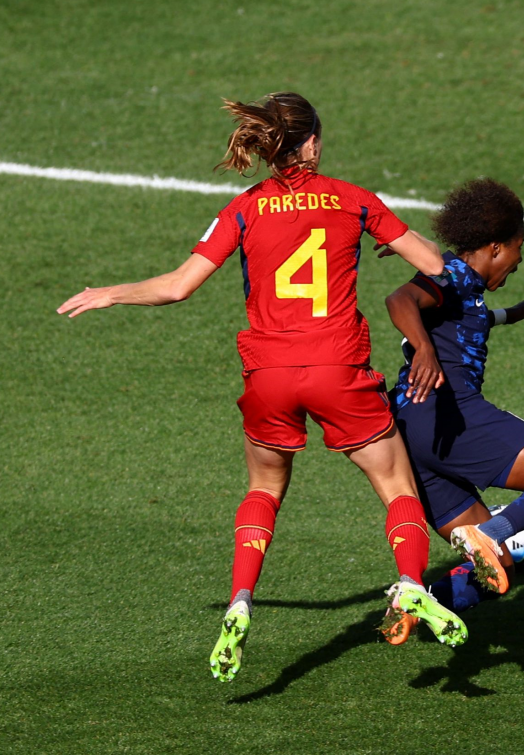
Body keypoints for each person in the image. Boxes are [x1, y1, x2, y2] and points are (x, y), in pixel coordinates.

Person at [56, 92, 467, 681]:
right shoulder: (355, 200)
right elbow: (431, 265)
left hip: (269, 376)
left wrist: (111, 292)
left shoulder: (244, 208)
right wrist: (390, 240)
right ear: (313, 143)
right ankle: (408, 584)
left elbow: (178, 286)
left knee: (264, 488)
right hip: (339, 371)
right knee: (396, 481)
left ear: (270, 148)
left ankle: (241, 601)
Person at [377, 178, 524, 644]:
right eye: (519, 247)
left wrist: (511, 314)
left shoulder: (466, 287)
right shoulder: (453, 275)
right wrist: (423, 351)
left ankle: (416, 604)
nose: (520, 260)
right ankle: (492, 531)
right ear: (496, 246)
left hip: (410, 437)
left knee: (501, 570)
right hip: (448, 414)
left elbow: (465, 314)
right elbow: (401, 300)